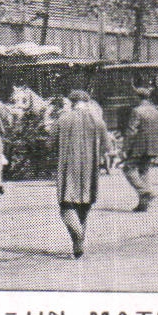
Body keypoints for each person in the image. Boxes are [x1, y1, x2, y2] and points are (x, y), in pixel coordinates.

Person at [53, 89, 108, 258]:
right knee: (84, 206)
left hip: (68, 167)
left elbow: (50, 142)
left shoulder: (63, 118)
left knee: (66, 205)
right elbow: (106, 146)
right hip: (89, 169)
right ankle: (79, 240)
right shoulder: (97, 120)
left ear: (72, 102)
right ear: (87, 102)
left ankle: (77, 235)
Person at [123, 85, 158, 211]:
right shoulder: (156, 111)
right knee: (144, 172)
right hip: (152, 146)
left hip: (138, 146)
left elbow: (131, 131)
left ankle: (145, 192)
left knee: (128, 169)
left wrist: (125, 147)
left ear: (137, 97)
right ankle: (143, 205)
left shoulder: (137, 111)